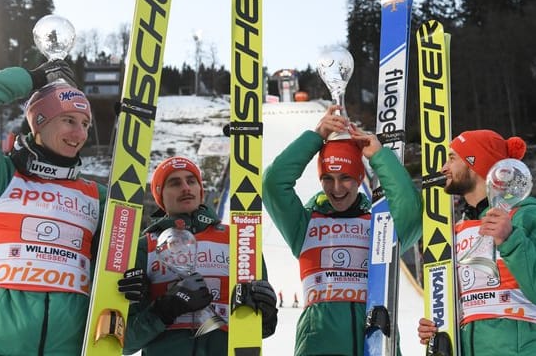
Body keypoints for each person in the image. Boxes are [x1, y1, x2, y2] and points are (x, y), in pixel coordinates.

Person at [262, 105, 422, 356]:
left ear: (360, 179)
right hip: (319, 344)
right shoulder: (304, 224)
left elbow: (412, 215)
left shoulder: (379, 225)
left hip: (377, 342)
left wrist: (380, 157)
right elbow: (273, 183)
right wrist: (315, 137)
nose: (336, 188)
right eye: (328, 178)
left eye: (345, 177)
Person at [0, 60, 107, 355]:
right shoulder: (4, 177)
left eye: (85, 124)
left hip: (71, 346)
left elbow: (120, 259)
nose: (79, 134)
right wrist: (30, 79)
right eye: (68, 120)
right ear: (40, 123)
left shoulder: (96, 195)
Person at [118, 156, 278, 355]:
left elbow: (260, 329)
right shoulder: (143, 248)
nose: (185, 187)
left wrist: (267, 312)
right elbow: (124, 342)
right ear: (160, 195)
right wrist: (168, 307)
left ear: (200, 190)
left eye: (191, 181)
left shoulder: (239, 237)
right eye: (175, 183)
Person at [418, 129, 536, 356]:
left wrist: (511, 239)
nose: (443, 168)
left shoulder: (525, 216)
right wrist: (436, 327)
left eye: (452, 158)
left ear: (475, 163)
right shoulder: (455, 230)